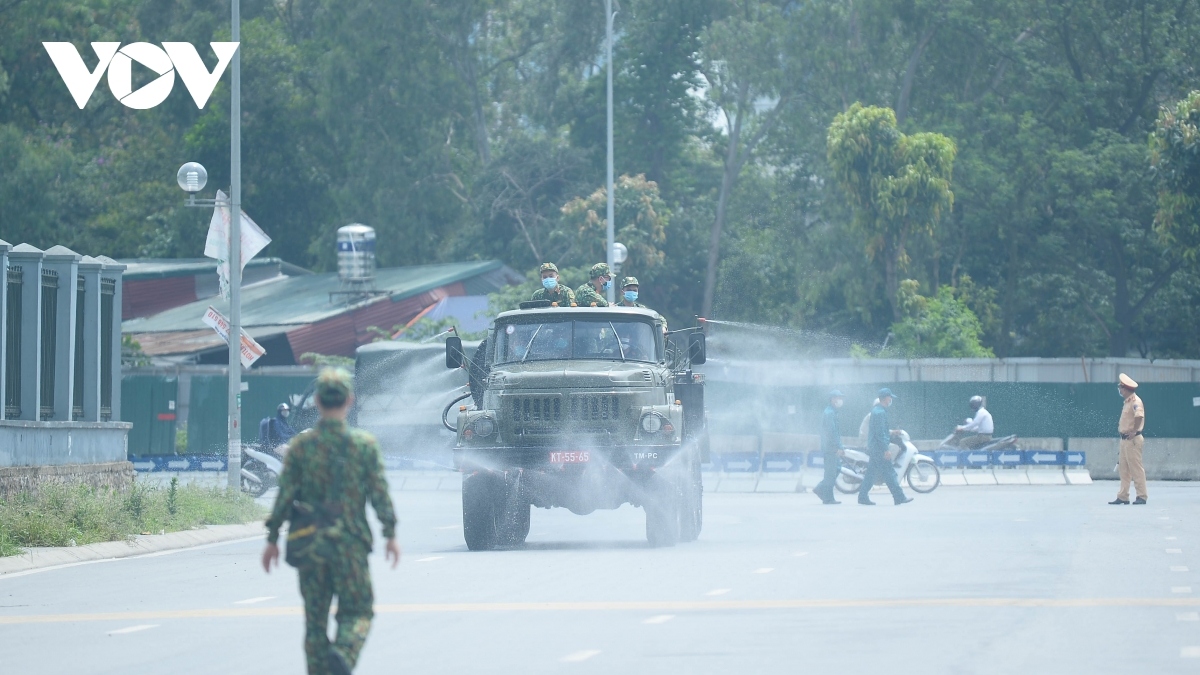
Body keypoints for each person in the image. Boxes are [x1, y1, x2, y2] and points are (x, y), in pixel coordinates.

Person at [262, 368, 401, 675]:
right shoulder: (363, 445)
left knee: (314, 623)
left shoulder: (301, 447)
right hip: (350, 546)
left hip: (311, 545)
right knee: (359, 612)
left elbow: (284, 496)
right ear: (349, 400)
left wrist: (272, 540)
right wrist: (390, 534)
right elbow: (379, 494)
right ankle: (344, 655)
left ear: (317, 401)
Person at [859, 388, 912, 506]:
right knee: (889, 472)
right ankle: (899, 497)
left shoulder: (877, 411)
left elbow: (881, 431)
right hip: (879, 448)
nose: (891, 399)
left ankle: (862, 496)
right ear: (885, 398)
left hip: (875, 447)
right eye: (890, 397)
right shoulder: (880, 413)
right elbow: (880, 433)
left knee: (871, 473)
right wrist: (886, 449)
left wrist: (892, 432)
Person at [1109, 373, 1147, 505]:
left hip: (1133, 440)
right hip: (1124, 440)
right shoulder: (1127, 402)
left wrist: (1135, 430)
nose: (1120, 390)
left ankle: (1142, 496)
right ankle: (1123, 496)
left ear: (1125, 388)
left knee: (1136, 468)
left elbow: (1139, 416)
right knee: (1123, 469)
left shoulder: (1135, 401)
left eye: (1121, 387)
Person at [813, 390, 846, 505]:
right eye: (838, 397)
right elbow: (832, 432)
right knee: (831, 474)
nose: (840, 400)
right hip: (831, 447)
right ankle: (828, 497)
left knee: (836, 469)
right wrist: (839, 447)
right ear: (832, 399)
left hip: (831, 446)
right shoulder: (830, 413)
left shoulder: (832, 412)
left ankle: (821, 489)